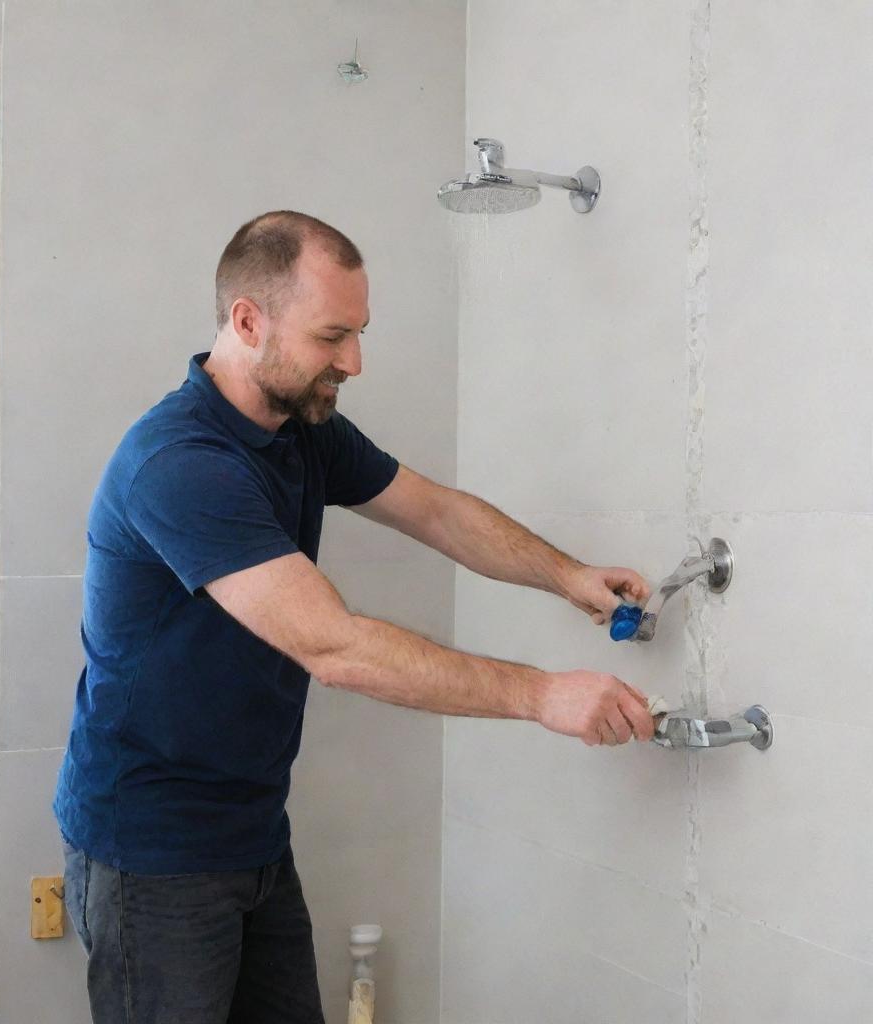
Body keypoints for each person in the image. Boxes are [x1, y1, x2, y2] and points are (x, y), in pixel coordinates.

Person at [54, 210, 656, 1024]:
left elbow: (437, 513)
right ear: (247, 321)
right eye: (333, 336)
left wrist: (568, 576)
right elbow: (335, 647)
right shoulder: (181, 465)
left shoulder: (301, 429)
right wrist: (543, 696)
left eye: (360, 333)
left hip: (253, 831)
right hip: (150, 850)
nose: (356, 362)